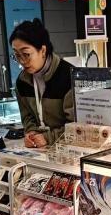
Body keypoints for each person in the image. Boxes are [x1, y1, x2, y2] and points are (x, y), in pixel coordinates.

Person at [10, 19, 74, 147]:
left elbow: (77, 126)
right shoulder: (22, 81)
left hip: (69, 147)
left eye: (26, 54)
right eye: (17, 55)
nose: (22, 61)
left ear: (43, 50)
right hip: (40, 148)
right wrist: (31, 132)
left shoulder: (68, 76)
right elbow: (27, 117)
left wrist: (48, 138)